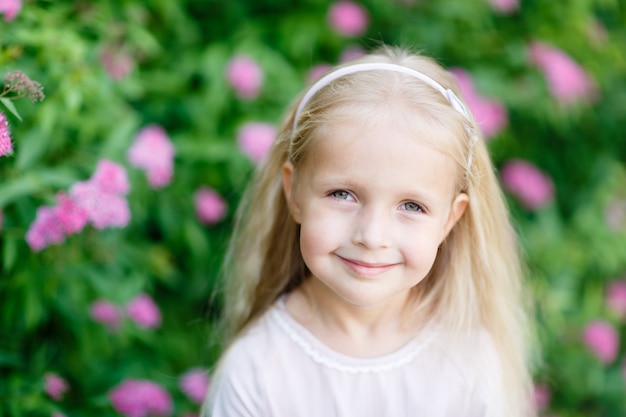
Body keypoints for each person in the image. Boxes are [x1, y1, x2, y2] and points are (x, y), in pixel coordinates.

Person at [202, 45, 536, 417]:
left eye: (412, 206)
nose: (372, 236)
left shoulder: (468, 359)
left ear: (449, 220)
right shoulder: (256, 370)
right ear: (293, 193)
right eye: (342, 194)